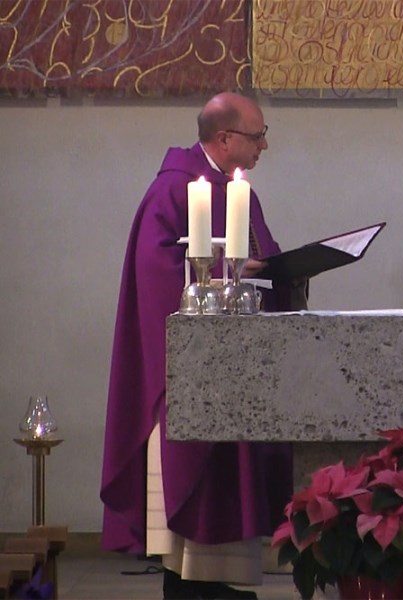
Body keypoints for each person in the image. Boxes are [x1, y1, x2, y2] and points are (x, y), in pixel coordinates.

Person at [100, 93, 294, 599]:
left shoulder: (239, 193)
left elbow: (262, 264)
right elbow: (157, 283)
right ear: (225, 138)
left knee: (228, 549)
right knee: (191, 559)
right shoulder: (172, 191)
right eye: (257, 136)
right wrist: (228, 275)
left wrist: (279, 275)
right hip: (187, 386)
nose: (265, 145)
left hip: (238, 378)